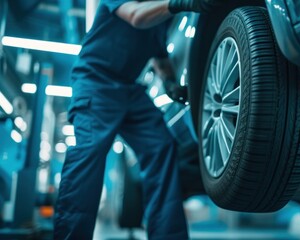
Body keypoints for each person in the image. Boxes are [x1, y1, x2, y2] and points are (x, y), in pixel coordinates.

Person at [53, 0, 221, 239]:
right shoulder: (135, 6)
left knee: (162, 146)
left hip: (128, 89)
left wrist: (171, 83)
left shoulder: (160, 21)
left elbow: (161, 60)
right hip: (95, 81)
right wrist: (180, 3)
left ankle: (168, 235)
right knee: (90, 152)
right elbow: (135, 16)